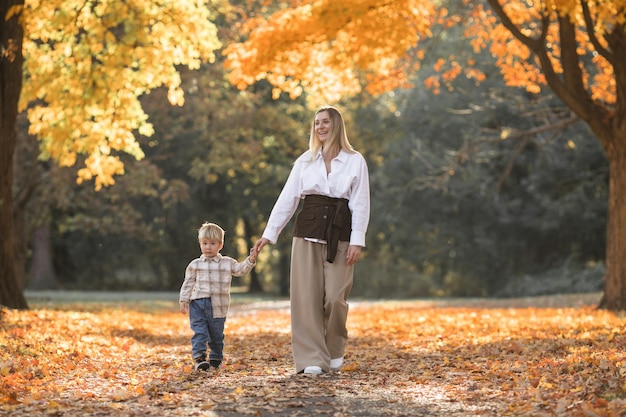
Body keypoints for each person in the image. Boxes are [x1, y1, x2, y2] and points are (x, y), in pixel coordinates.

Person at [253, 105, 370, 375]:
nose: (320, 127)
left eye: (325, 122)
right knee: (306, 299)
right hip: (307, 233)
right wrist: (269, 235)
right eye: (316, 123)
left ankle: (334, 349)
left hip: (340, 235)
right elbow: (288, 199)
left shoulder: (355, 160)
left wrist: (357, 240)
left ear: (337, 125)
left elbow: (361, 203)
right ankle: (312, 360)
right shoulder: (305, 161)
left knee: (335, 298)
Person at [179, 222, 257, 371]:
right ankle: (199, 358)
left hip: (218, 305)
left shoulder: (227, 263)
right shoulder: (194, 265)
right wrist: (184, 300)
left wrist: (251, 260)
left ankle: (215, 357)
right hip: (198, 304)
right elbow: (188, 283)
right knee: (199, 332)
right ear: (200, 244)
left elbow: (241, 270)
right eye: (205, 243)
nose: (208, 247)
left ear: (220, 245)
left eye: (212, 243)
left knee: (216, 335)